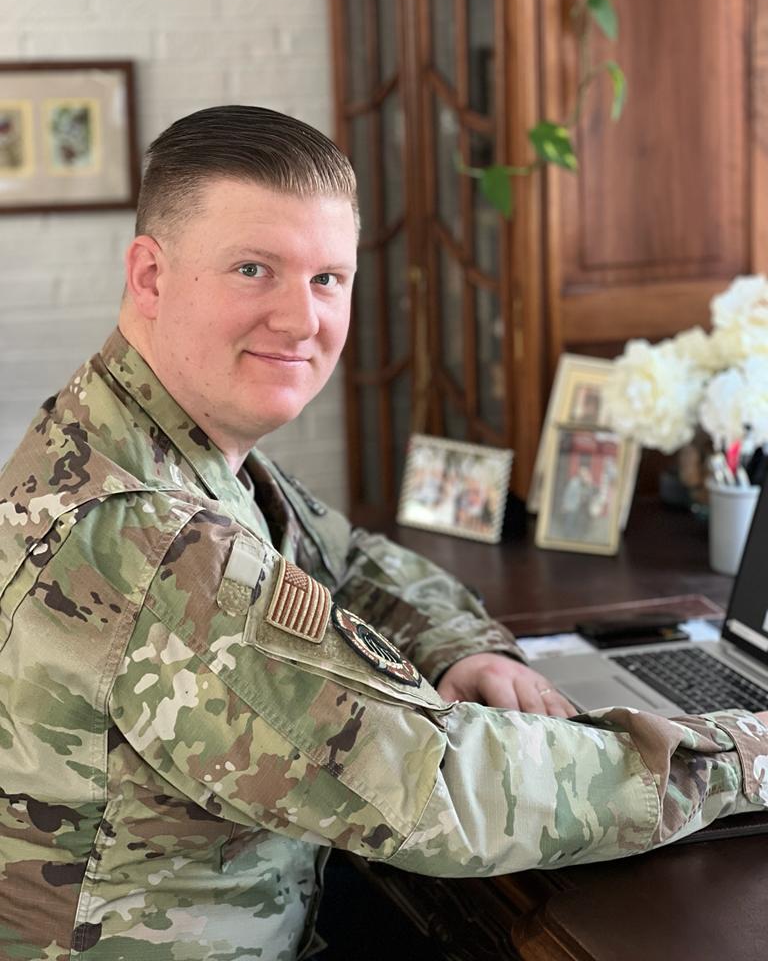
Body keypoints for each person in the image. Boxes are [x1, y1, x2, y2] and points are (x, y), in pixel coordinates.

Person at [0, 105, 766, 961]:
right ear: (149, 275)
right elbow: (439, 792)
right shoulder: (152, 540)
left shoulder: (145, 432)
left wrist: (463, 648)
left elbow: (343, 560)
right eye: (254, 269)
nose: (301, 319)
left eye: (328, 278)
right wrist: (749, 753)